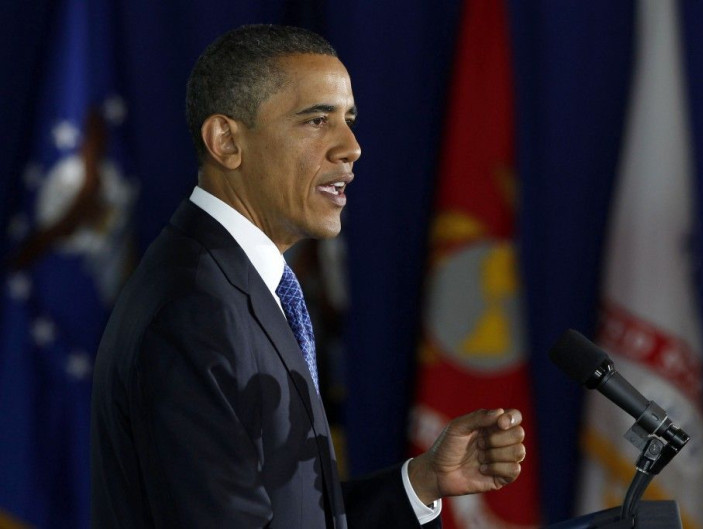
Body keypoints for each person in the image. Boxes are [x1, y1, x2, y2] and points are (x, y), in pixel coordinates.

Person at [90, 24, 526, 528]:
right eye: (317, 121)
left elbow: (287, 514)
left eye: (349, 119)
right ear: (226, 141)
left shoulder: (237, 284)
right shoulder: (194, 310)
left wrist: (421, 482)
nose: (351, 147)